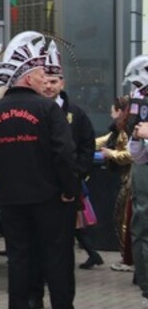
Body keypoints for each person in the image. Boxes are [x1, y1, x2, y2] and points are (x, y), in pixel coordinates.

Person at [0, 31, 92, 309]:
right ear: (28, 77)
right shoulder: (48, 109)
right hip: (51, 199)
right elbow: (64, 154)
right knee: (58, 260)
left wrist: (6, 180)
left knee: (19, 259)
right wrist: (69, 190)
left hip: (12, 199)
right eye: (42, 74)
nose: (46, 80)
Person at [38, 42, 101, 273]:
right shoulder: (33, 110)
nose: (48, 86)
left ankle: (60, 276)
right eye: (45, 81)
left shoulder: (76, 113)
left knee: (64, 236)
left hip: (68, 187)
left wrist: (78, 173)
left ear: (62, 83)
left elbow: (87, 144)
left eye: (53, 82)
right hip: (39, 185)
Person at [122, 55, 148, 309]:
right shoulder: (140, 100)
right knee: (141, 231)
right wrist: (139, 136)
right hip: (145, 172)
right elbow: (137, 154)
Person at [96, 97, 133, 271]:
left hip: (130, 181)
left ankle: (128, 259)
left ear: (119, 111)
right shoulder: (119, 129)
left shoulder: (128, 129)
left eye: (113, 111)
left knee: (123, 219)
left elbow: (130, 154)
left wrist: (111, 154)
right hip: (128, 180)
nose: (111, 114)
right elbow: (102, 140)